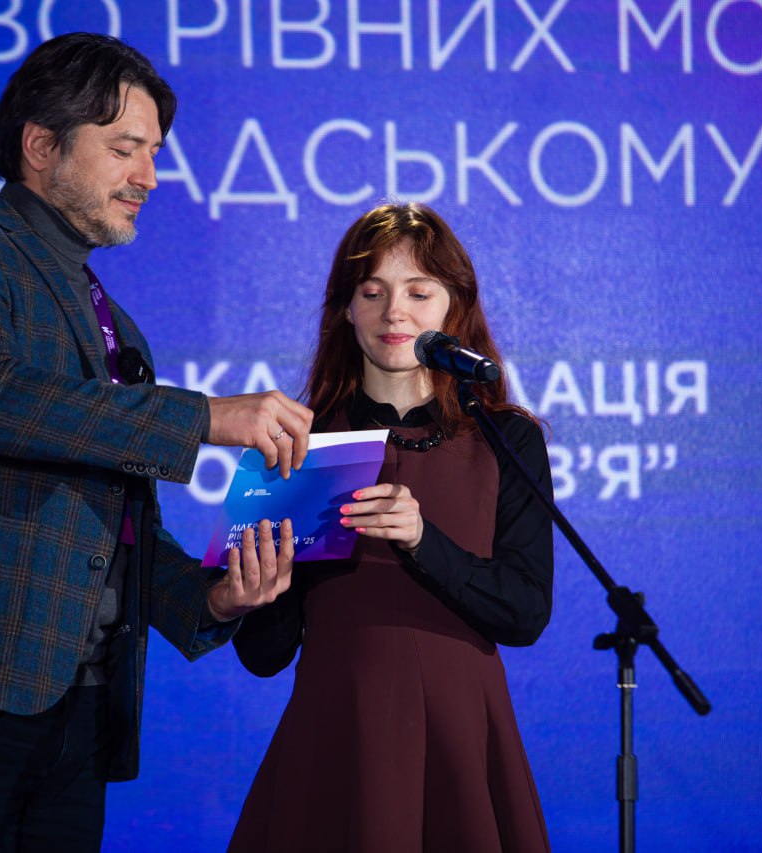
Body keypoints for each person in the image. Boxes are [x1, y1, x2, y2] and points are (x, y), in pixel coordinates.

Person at [0, 33, 312, 852]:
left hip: (78, 706)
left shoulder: (117, 323)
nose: (149, 177)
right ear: (41, 146)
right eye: (124, 149)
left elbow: (120, 524)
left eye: (154, 153)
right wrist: (205, 418)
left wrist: (211, 600)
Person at [228, 203, 555, 852]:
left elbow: (525, 613)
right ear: (345, 310)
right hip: (337, 732)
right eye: (372, 292)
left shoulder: (507, 439)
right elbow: (263, 656)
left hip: (463, 737)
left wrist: (422, 539)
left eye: (418, 292)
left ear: (455, 305)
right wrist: (259, 592)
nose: (394, 313)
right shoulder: (295, 443)